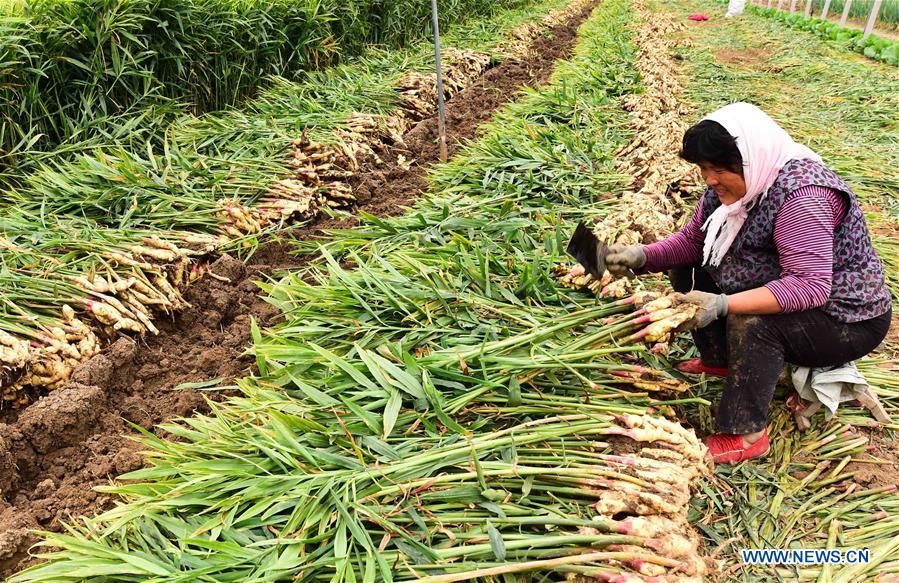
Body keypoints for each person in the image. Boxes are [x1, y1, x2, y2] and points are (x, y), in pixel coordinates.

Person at [605, 102, 892, 465]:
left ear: (750, 160)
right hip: (798, 290)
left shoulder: (803, 197)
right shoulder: (729, 188)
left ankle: (746, 433)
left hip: (844, 319)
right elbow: (694, 242)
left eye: (718, 169)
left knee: (753, 320)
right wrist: (641, 256)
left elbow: (809, 286)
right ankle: (722, 360)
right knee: (696, 264)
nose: (709, 179)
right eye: (704, 169)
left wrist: (723, 305)